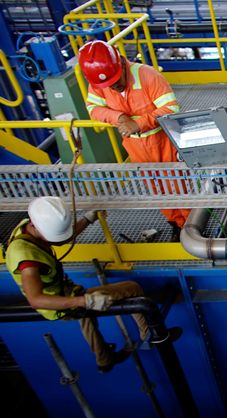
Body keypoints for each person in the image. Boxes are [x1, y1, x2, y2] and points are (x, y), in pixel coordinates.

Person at [4, 197, 180, 373]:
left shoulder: (30, 227)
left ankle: (104, 359)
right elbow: (36, 299)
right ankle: (149, 335)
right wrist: (84, 301)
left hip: (66, 293)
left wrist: (88, 219)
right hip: (58, 303)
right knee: (132, 288)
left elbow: (60, 238)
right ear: (37, 227)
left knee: (86, 316)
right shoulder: (26, 259)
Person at [78, 40, 190, 241]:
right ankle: (175, 224)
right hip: (135, 147)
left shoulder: (147, 76)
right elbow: (93, 109)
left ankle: (190, 227)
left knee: (176, 184)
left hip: (163, 141)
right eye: (108, 85)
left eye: (115, 80)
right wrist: (118, 117)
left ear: (121, 63)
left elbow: (171, 109)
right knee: (156, 188)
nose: (113, 86)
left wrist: (139, 124)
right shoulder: (99, 84)